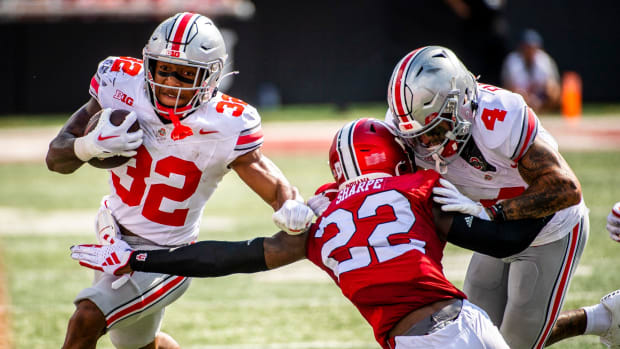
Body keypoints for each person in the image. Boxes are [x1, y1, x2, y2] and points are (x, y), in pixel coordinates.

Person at [71, 118, 558, 349]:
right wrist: (528, 209)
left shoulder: (320, 216)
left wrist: (139, 259)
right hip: (467, 321)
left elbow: (227, 258)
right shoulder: (420, 187)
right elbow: (506, 243)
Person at [46, 12, 314, 349]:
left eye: (187, 74)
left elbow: (271, 181)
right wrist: (88, 146)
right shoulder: (119, 82)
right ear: (149, 64)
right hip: (110, 237)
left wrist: (290, 204)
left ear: (211, 77)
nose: (171, 82)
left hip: (168, 257)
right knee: (138, 346)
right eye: (165, 69)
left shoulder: (226, 123)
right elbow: (55, 158)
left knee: (87, 317)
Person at [384, 46, 590, 348]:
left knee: (517, 342)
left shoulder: (501, 116)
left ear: (461, 103)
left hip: (551, 229)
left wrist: (493, 212)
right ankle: (604, 317)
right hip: (491, 224)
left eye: (434, 129)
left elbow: (565, 188)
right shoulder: (407, 125)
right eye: (416, 134)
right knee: (476, 337)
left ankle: (596, 319)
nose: (424, 143)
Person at [500, 29, 561, 113]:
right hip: (521, 98)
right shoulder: (513, 61)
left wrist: (539, 100)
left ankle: (544, 111)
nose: (529, 51)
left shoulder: (544, 60)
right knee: (510, 95)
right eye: (527, 47)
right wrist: (527, 99)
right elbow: (508, 87)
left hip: (541, 98)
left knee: (553, 91)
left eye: (532, 47)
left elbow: (552, 86)